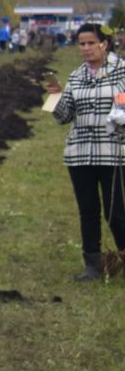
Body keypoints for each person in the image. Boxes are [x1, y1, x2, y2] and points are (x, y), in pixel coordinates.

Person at [48, 23, 125, 280]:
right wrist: (54, 97)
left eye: (91, 42)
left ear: (105, 43)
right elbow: (64, 117)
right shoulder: (76, 76)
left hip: (113, 153)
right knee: (88, 210)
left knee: (115, 212)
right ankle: (93, 263)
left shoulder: (121, 71)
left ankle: (123, 256)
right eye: (82, 43)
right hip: (80, 155)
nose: (86, 48)